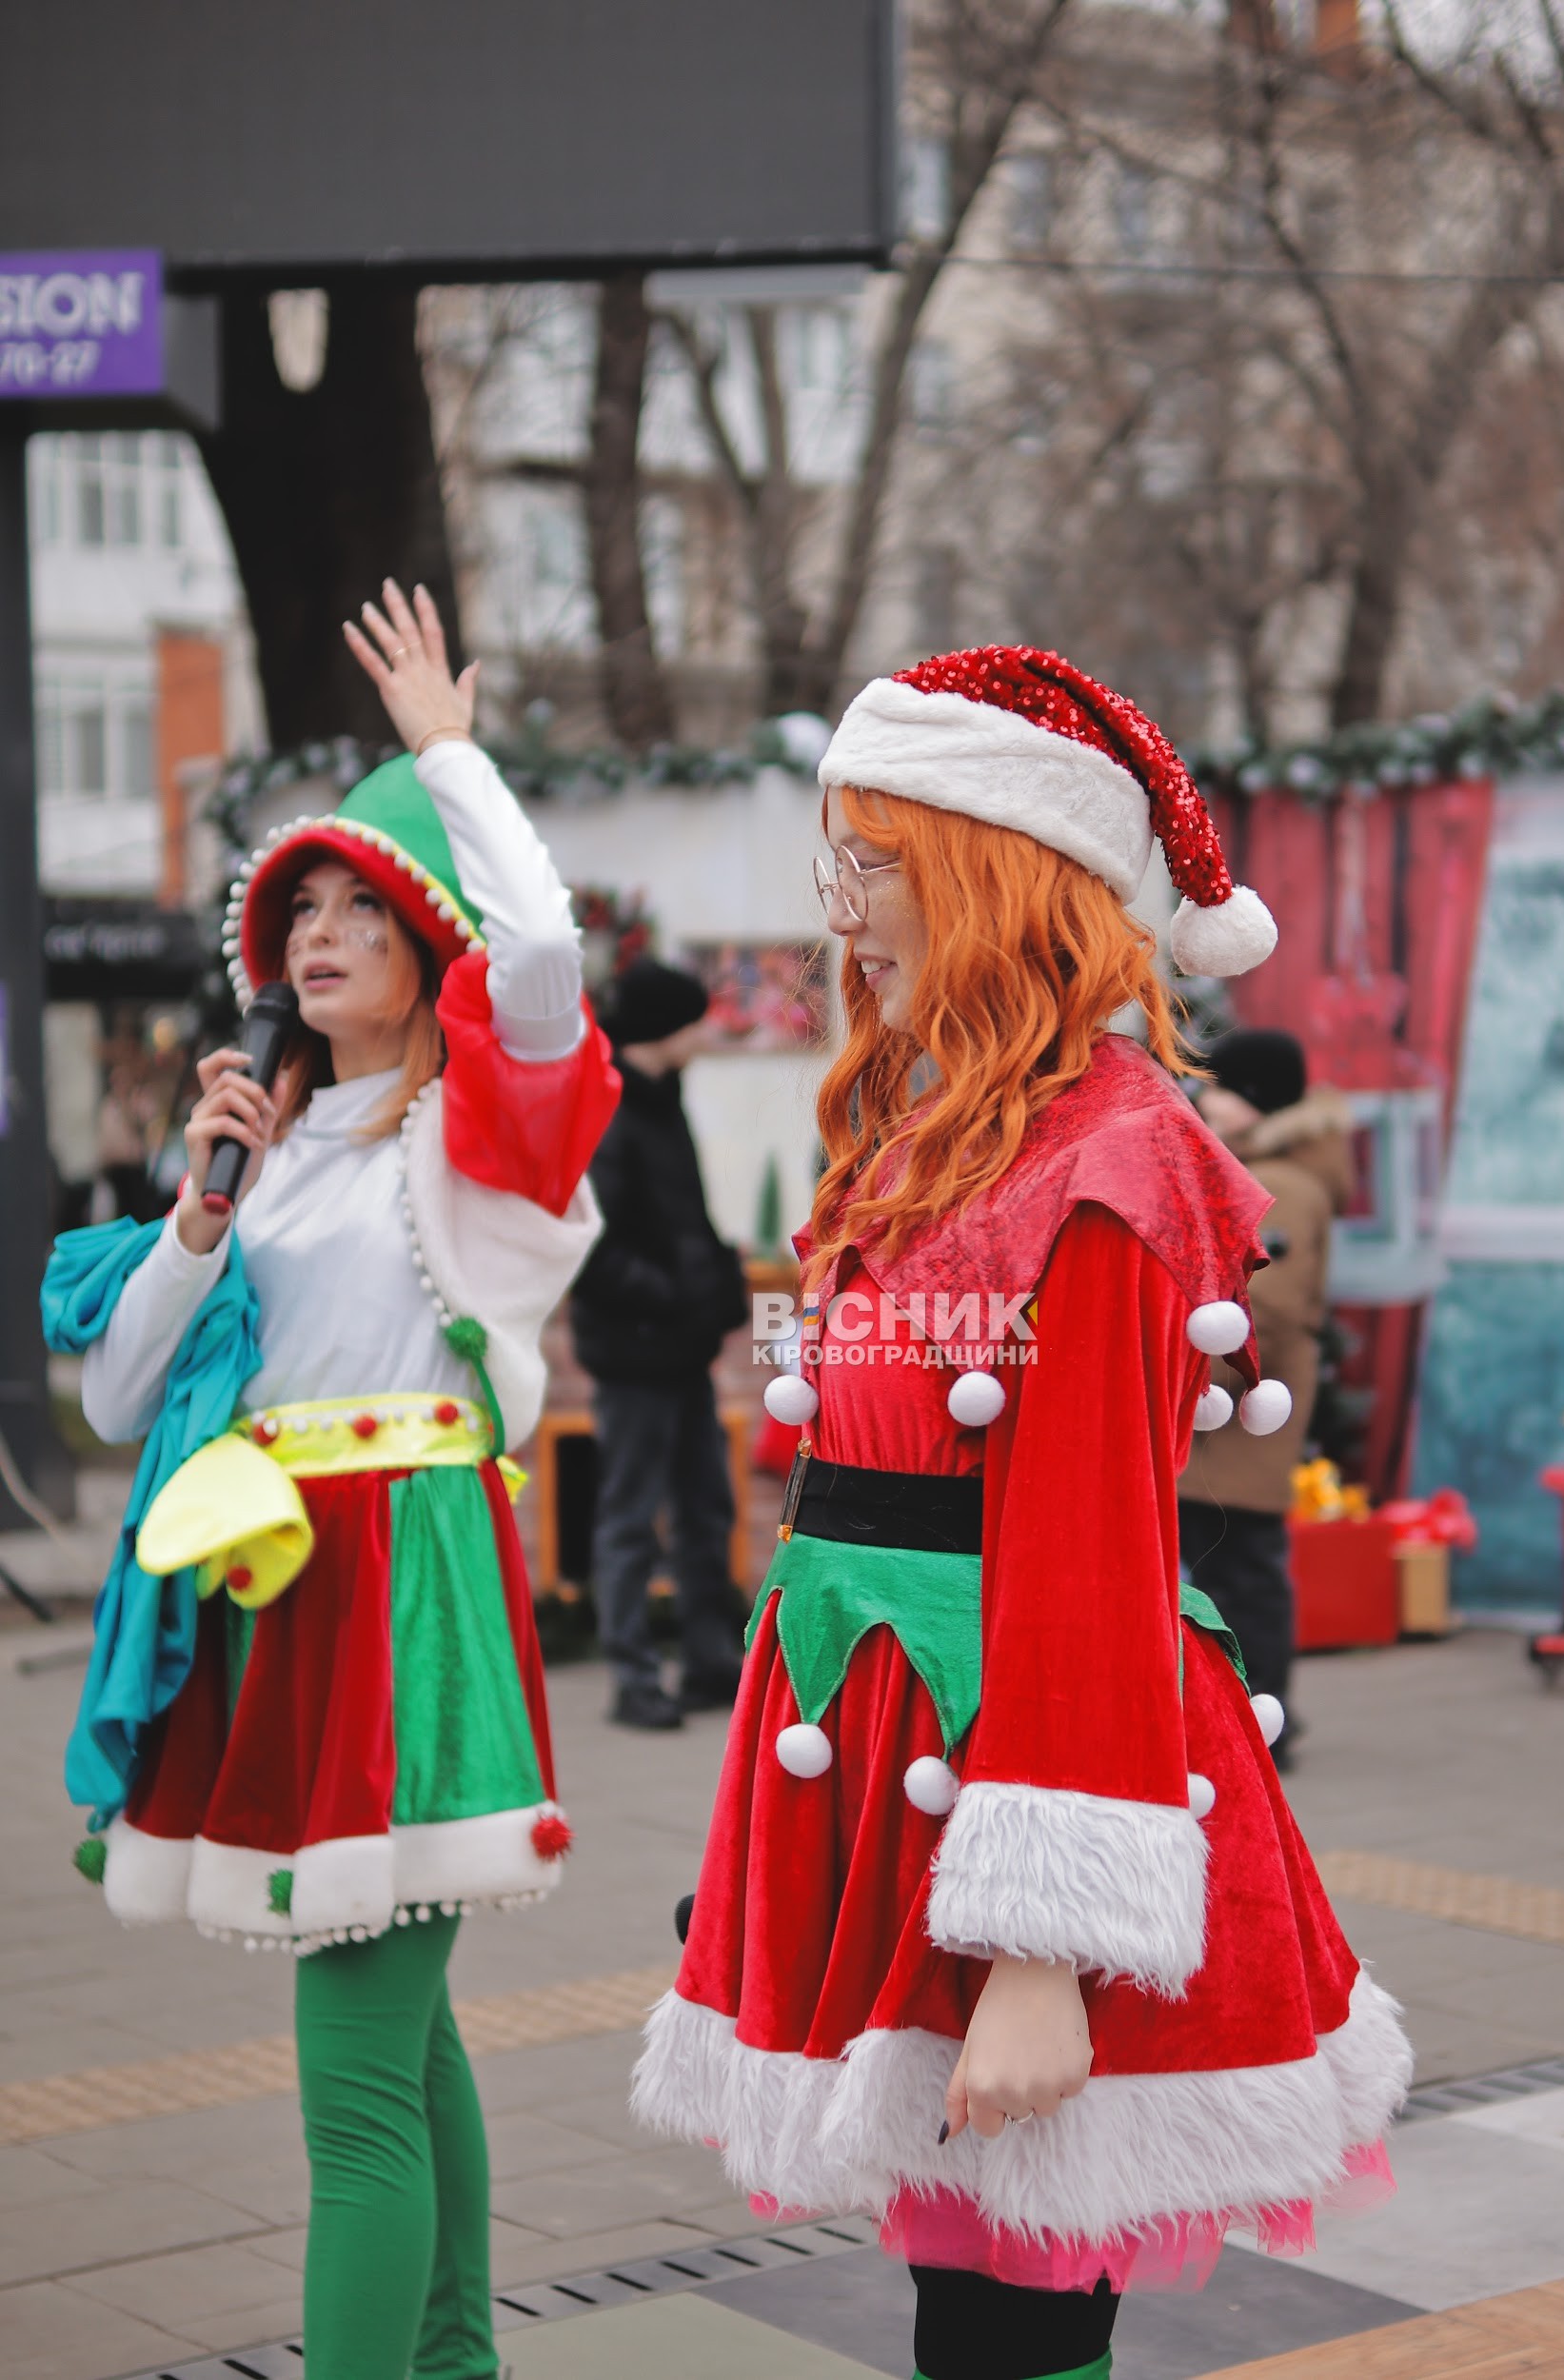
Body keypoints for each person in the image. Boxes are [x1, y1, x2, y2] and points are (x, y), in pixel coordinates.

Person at [632, 647, 1411, 2380]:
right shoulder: (949, 1136)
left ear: (993, 875)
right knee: (965, 2296)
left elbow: (1090, 1569)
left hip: (1026, 1790)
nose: (844, 911)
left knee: (1009, 2310)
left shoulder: (1104, 1166)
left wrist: (1043, 1951)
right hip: (914, 1775)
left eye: (873, 859)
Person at [49, 582, 620, 2380]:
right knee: (409, 2048)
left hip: (405, 1590)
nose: (315, 933)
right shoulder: (271, 1155)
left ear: (422, 943)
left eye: (358, 908)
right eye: (297, 907)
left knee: (353, 2085)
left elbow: (543, 963)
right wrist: (202, 1205)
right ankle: (449, 2366)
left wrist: (449, 758)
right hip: (275, 1587)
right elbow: (127, 1394)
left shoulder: (480, 1137)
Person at [569, 958, 749, 1730]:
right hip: (634, 1349)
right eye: (695, 1019)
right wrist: (677, 1297)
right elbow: (595, 1245)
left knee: (707, 1506)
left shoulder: (661, 1101)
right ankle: (634, 1675)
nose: (706, 1031)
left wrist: (717, 1280)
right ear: (665, 1028)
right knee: (630, 1515)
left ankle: (710, 1659)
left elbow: (682, 1220)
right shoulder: (608, 1108)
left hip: (678, 1348)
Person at [1178, 1029, 1354, 1770]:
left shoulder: (1282, 1186)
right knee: (1230, 1560)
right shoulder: (1259, 1169)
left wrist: (1196, 1390)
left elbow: (1261, 1310)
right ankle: (1249, 1713)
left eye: (1216, 1087)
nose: (1203, 1099)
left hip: (1244, 1410)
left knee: (1241, 1561)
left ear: (1251, 1099)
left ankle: (1260, 1720)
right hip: (1238, 1405)